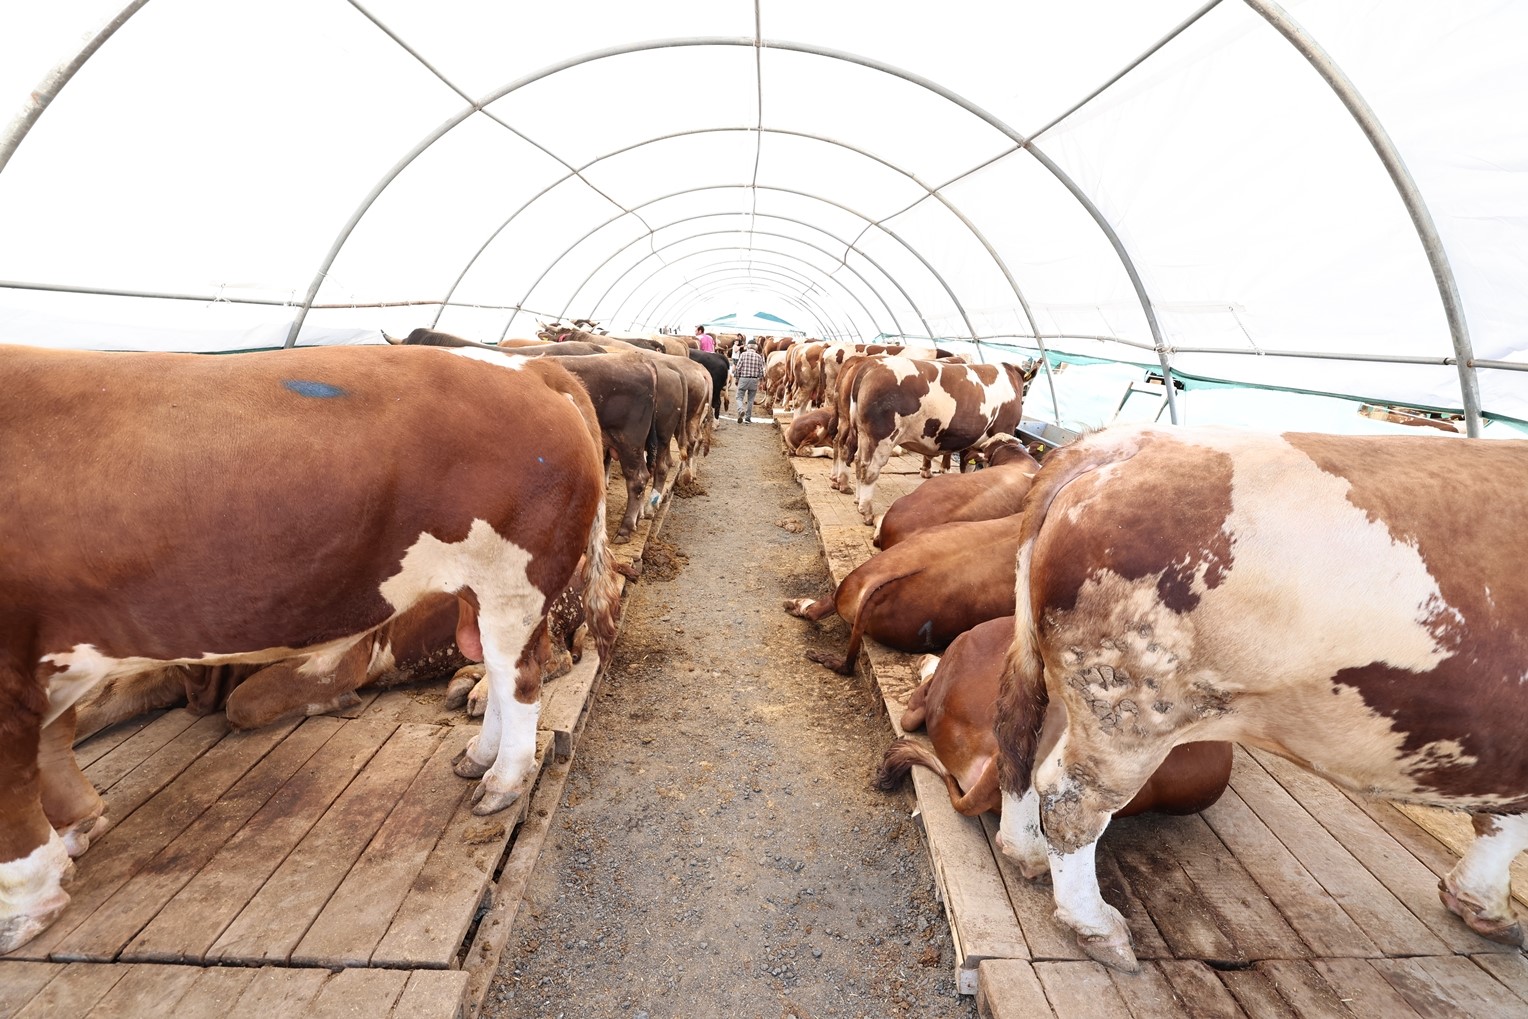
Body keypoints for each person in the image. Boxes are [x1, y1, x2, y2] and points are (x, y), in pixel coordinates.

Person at [734, 338, 766, 423]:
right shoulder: (759, 357)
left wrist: (737, 378)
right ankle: (748, 418)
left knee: (739, 397)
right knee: (751, 400)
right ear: (755, 348)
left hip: (744, 379)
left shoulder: (743, 355)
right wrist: (761, 382)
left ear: (748, 347)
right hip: (754, 380)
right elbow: (761, 371)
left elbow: (738, 368)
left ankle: (741, 410)